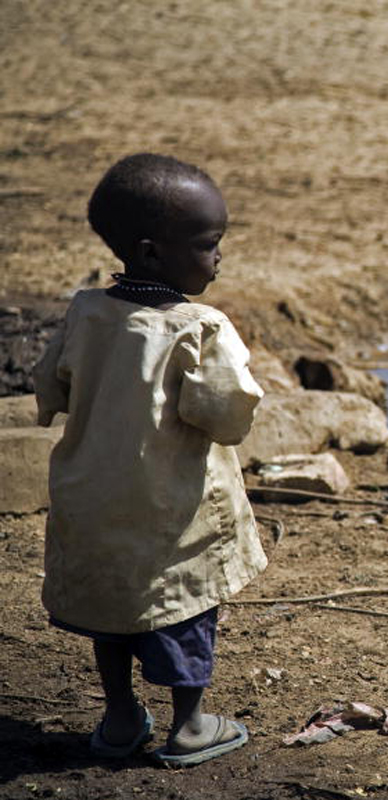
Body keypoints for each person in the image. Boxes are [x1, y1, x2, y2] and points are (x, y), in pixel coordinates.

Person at [33, 153, 267, 767]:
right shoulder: (200, 329)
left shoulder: (87, 311)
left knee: (114, 616)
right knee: (183, 612)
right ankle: (189, 726)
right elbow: (227, 415)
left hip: (94, 500)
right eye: (209, 244)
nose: (219, 257)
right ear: (153, 252)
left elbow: (50, 385)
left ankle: (117, 720)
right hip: (171, 514)